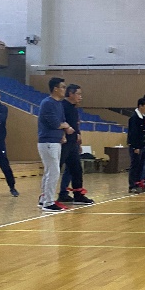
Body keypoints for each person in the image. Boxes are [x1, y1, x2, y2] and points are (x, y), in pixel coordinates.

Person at [38, 77, 75, 212]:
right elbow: (54, 123)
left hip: (56, 141)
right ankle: (48, 202)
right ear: (55, 89)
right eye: (63, 87)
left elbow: (62, 121)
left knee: (49, 171)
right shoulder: (47, 103)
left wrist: (63, 134)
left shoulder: (59, 104)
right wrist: (66, 126)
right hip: (48, 142)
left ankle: (43, 199)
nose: (65, 89)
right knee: (53, 172)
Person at [57, 84, 95, 205]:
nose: (80, 97)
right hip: (64, 143)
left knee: (76, 169)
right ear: (70, 94)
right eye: (78, 94)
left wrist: (78, 139)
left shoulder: (74, 108)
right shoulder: (62, 106)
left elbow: (75, 126)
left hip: (73, 143)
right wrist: (63, 134)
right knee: (56, 169)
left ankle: (78, 195)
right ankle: (47, 197)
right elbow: (59, 122)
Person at [127, 98, 145, 193]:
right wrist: (135, 147)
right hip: (136, 146)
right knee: (135, 166)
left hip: (143, 146)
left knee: (141, 166)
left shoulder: (144, 117)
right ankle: (132, 186)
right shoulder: (134, 118)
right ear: (140, 106)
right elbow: (133, 133)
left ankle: (138, 184)